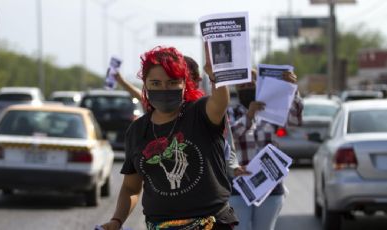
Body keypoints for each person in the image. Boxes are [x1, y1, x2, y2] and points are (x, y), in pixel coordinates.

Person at [98, 46, 238, 230]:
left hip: (211, 224)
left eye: (172, 82)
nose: (164, 89)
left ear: (184, 83)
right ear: (145, 85)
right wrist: (117, 220)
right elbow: (131, 188)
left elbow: (220, 102)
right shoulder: (137, 130)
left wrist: (217, 75)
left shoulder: (200, 113)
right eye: (155, 83)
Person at [228, 69, 303, 230]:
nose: (247, 87)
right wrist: (249, 115)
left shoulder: (271, 111)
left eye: (251, 84)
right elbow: (230, 137)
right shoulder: (230, 112)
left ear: (259, 86)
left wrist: (293, 90)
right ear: (237, 88)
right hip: (239, 186)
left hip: (270, 186)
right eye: (243, 85)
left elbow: (295, 122)